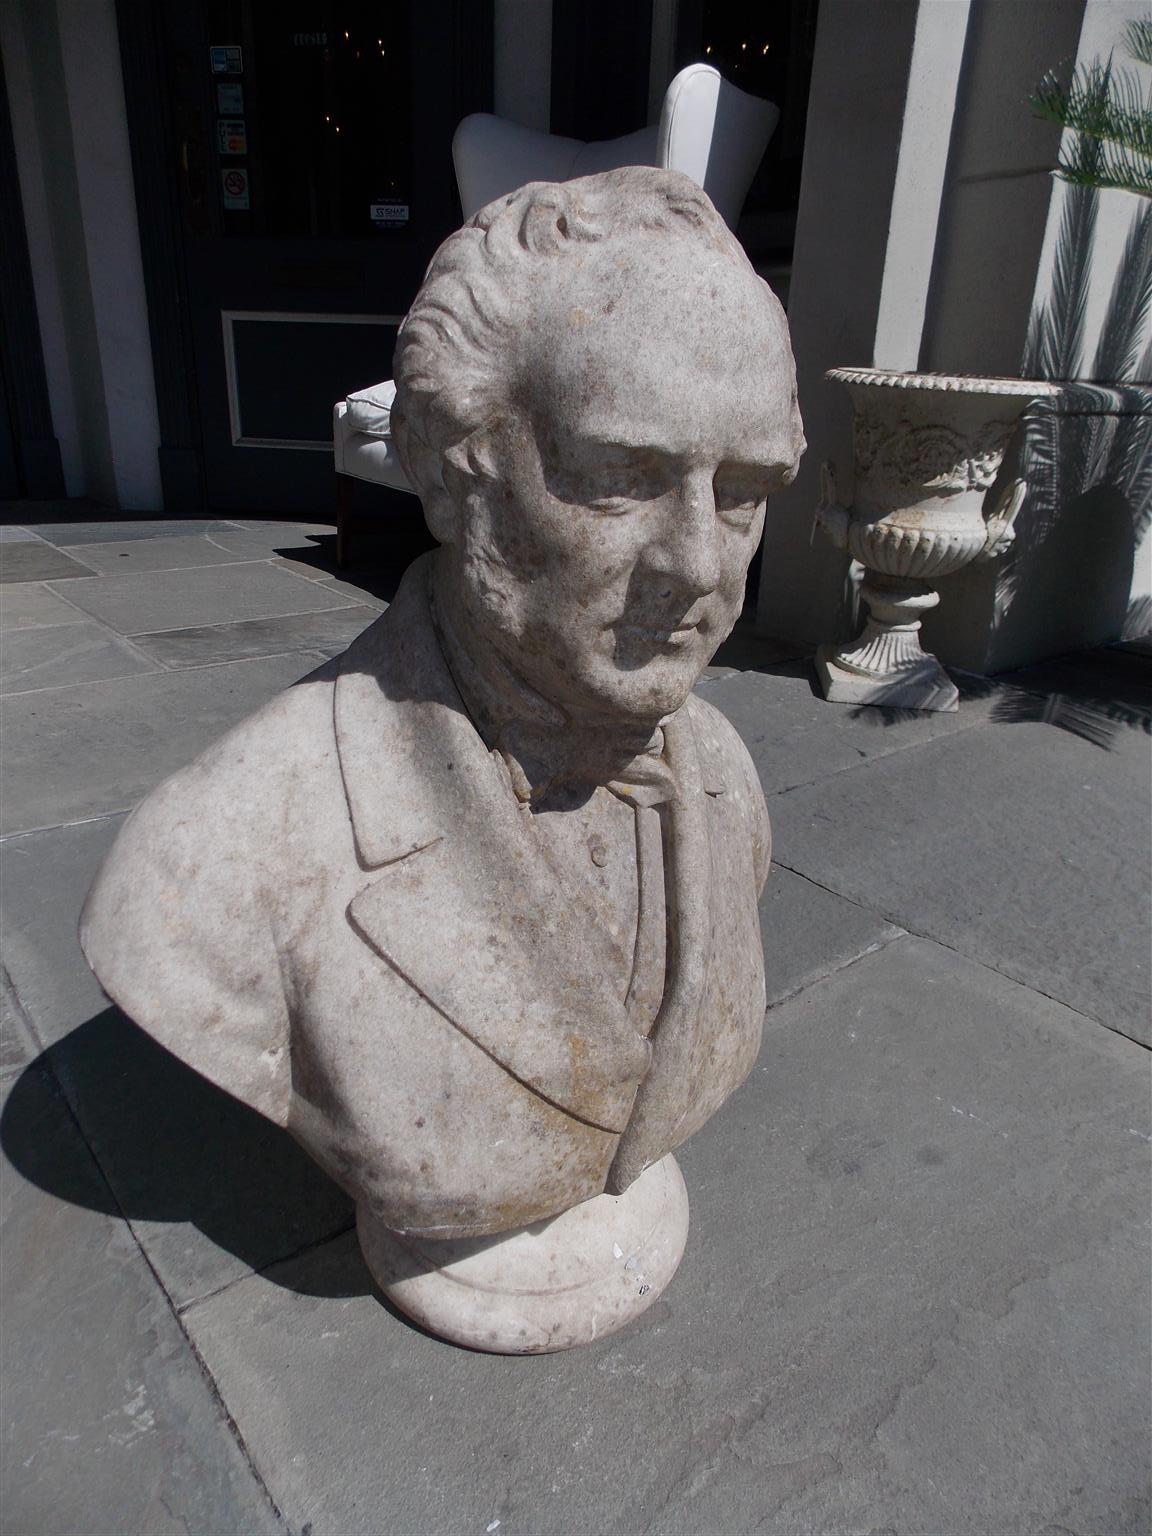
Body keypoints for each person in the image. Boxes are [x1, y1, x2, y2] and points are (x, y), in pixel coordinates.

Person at [80, 167, 805, 1242]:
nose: (697, 564)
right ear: (452, 466)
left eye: (744, 492)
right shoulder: (214, 859)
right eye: (618, 475)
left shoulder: (725, 778)